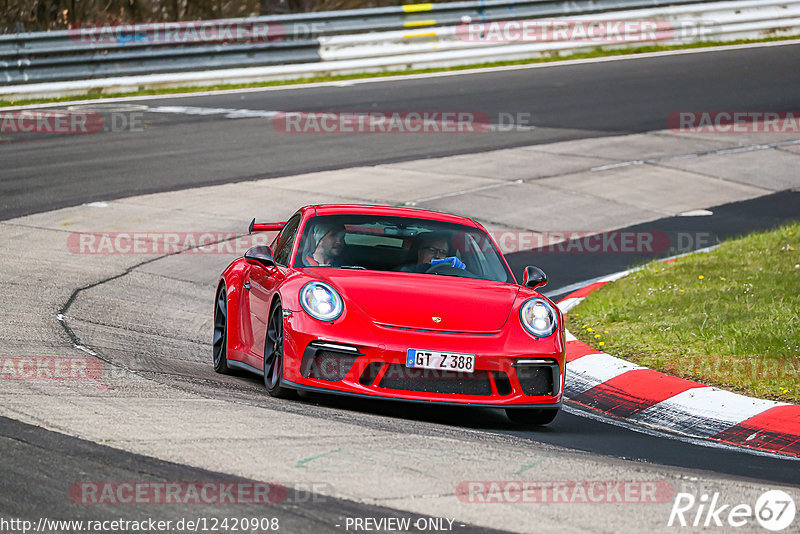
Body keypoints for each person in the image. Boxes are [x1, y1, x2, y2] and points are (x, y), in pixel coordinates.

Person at [397, 232, 465, 272]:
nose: (437, 256)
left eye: (442, 252)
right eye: (432, 250)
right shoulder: (405, 272)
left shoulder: (450, 275)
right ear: (420, 251)